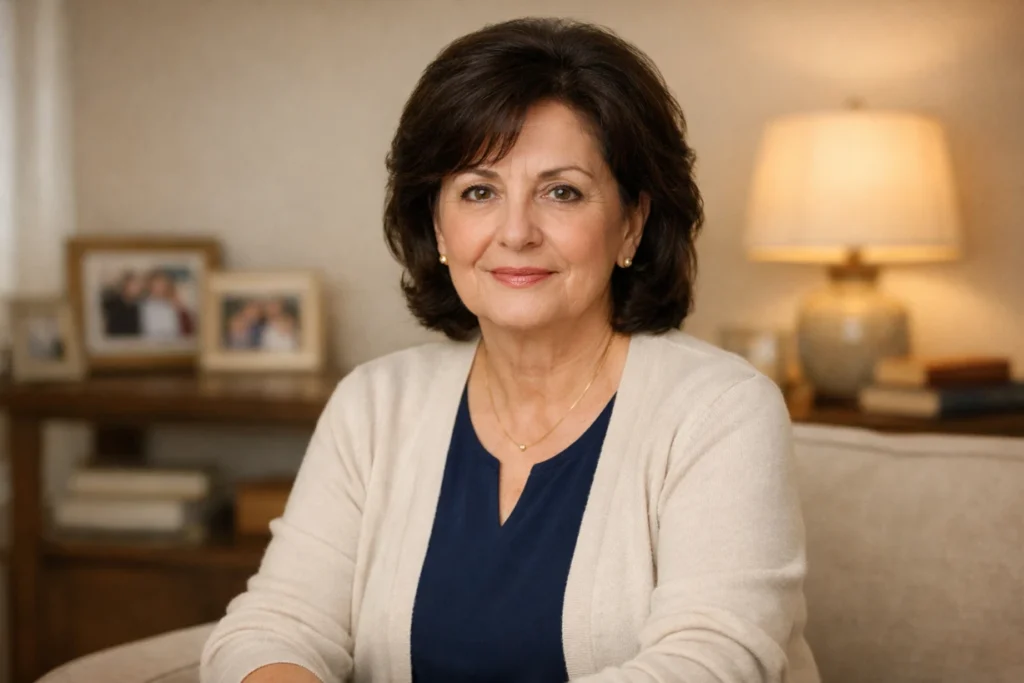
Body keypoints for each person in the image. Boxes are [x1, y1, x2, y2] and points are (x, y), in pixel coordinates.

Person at [201, 17, 819, 683]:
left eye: (562, 191)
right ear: (438, 224)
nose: (516, 231)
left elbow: (712, 662)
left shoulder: (720, 409)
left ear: (631, 224)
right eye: (478, 191)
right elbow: (275, 625)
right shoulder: (374, 406)